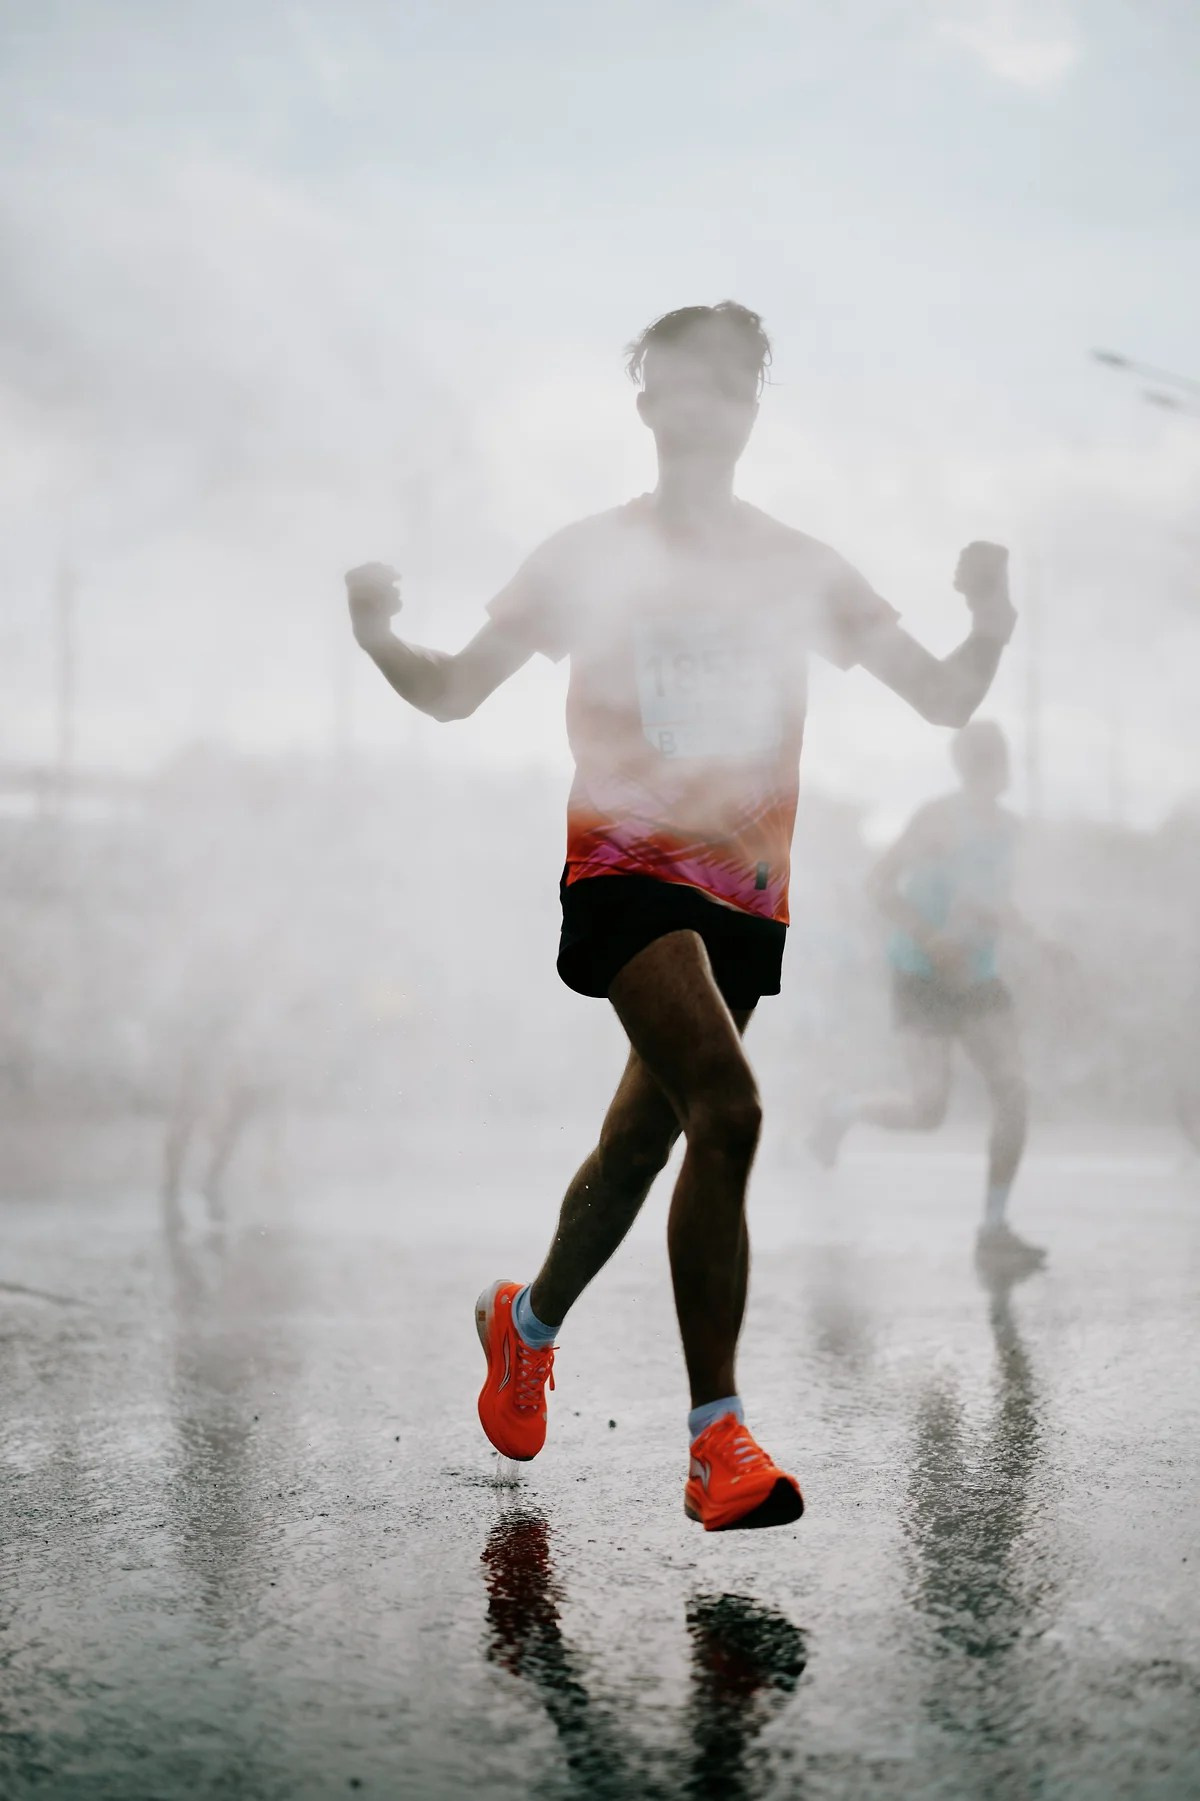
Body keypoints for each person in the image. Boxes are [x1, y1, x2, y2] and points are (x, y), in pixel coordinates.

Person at [345, 301, 1016, 1531]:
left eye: (727, 382)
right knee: (731, 1106)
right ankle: (718, 1437)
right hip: (623, 868)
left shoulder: (801, 567)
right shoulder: (586, 559)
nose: (703, 402)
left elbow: (942, 696)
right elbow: (449, 692)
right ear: (647, 403)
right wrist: (381, 635)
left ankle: (524, 1322)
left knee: (641, 1148)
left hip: (745, 894)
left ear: (751, 408)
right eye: (678, 381)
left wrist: (990, 618)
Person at [810, 721, 1044, 1273]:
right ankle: (840, 1110)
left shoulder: (1010, 829)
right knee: (927, 1110)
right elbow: (877, 884)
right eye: (985, 760)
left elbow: (994, 900)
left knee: (1012, 1088)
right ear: (967, 766)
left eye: (998, 758)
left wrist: (1039, 939)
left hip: (977, 977)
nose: (996, 771)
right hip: (923, 974)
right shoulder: (938, 819)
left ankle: (993, 1227)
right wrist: (927, 936)